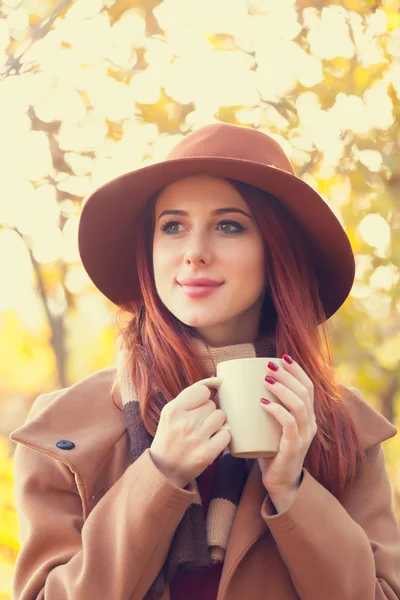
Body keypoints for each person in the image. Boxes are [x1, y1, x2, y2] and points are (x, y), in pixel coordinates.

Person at [10, 122, 400, 600]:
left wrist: (294, 489)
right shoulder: (62, 430)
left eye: (229, 225)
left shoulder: (341, 428)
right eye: (172, 227)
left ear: (276, 250)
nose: (194, 253)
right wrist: (159, 475)